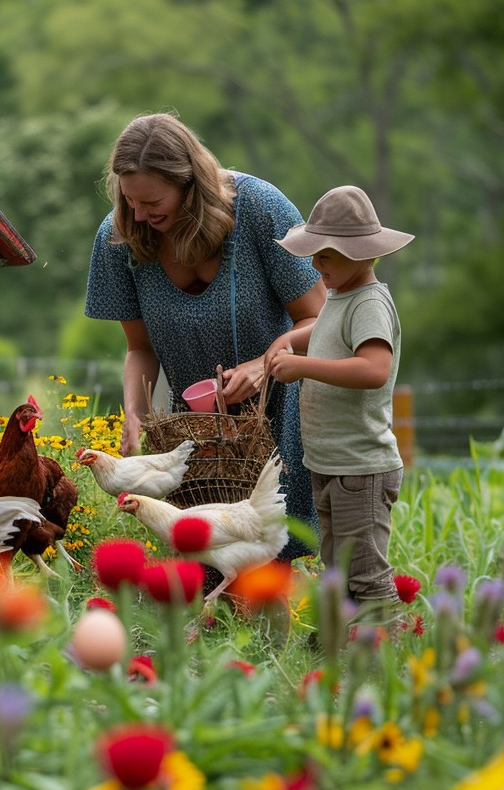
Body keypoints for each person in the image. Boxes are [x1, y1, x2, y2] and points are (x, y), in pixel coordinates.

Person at [85, 113, 326, 552]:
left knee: (269, 559)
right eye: (129, 200)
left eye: (152, 202)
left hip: (274, 416)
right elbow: (139, 349)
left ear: (189, 185)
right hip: (193, 431)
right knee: (206, 555)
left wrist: (262, 365)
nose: (138, 214)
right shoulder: (119, 236)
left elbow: (319, 317)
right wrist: (134, 414)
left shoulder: (259, 210)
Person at [266, 185, 413, 614]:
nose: (314, 264)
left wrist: (303, 367)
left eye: (325, 254)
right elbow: (326, 331)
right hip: (331, 463)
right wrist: (290, 339)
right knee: (337, 568)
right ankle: (346, 650)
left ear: (361, 253)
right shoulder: (342, 296)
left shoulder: (369, 303)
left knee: (365, 573)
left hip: (360, 468)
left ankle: (380, 647)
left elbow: (374, 369)